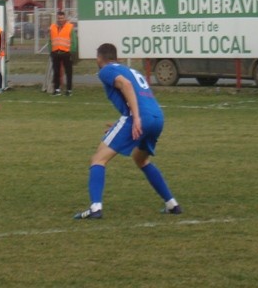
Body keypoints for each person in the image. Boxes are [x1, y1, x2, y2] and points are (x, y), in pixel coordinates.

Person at [74, 42, 181, 219]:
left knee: (98, 159)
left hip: (139, 117)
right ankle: (172, 204)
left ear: (99, 58)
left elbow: (126, 86)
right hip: (157, 117)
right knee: (141, 159)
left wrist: (136, 118)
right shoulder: (130, 70)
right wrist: (122, 123)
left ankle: (95, 208)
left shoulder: (106, 70)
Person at [49, 10, 76, 96]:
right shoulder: (52, 27)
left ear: (65, 18)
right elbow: (50, 40)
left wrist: (71, 51)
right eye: (59, 18)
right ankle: (57, 89)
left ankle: (69, 90)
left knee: (69, 72)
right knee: (56, 72)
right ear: (56, 18)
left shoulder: (69, 27)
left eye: (62, 18)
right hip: (55, 52)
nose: (60, 20)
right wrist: (51, 51)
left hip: (66, 52)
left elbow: (74, 41)